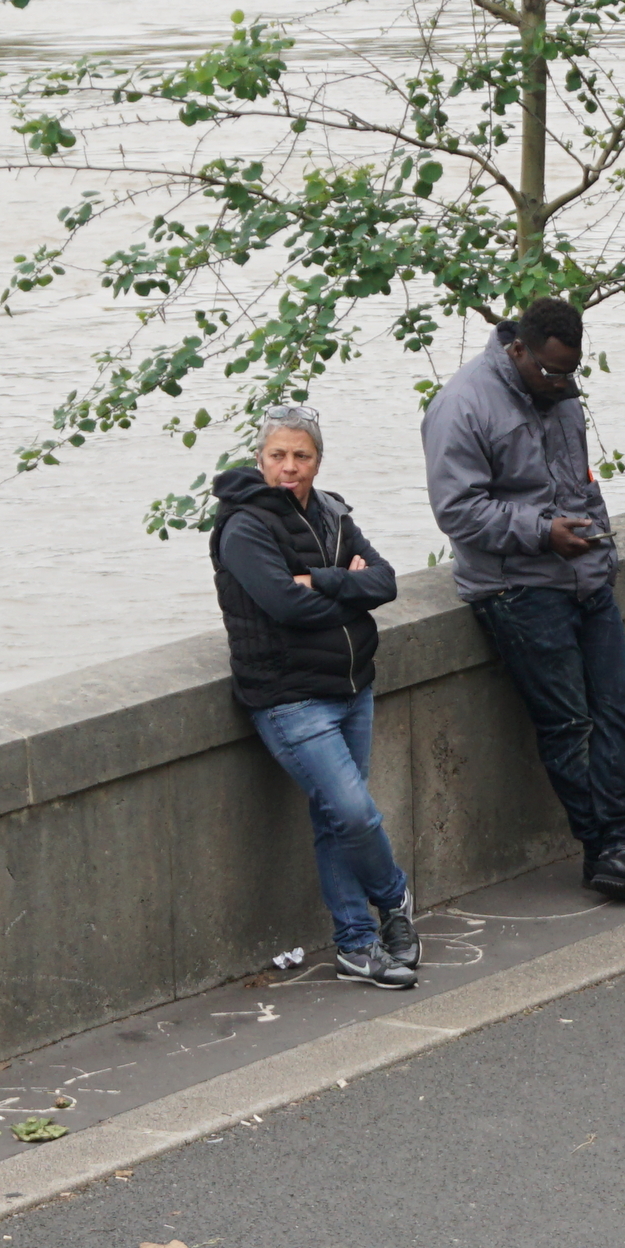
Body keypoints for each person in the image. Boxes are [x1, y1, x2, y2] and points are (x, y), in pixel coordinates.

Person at [422, 295, 625, 903]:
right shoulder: (461, 406)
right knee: (570, 725)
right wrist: (542, 532)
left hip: (585, 579)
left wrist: (599, 556)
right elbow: (457, 512)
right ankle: (615, 850)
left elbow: (582, 484)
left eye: (571, 371)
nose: (562, 382)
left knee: (620, 710)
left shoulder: (561, 391)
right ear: (516, 349)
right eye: (550, 371)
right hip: (517, 589)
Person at [212, 406, 421, 989]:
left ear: (317, 461)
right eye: (277, 455)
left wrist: (326, 579)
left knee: (336, 820)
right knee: (354, 813)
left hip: (353, 687)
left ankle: (356, 945)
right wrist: (349, 591)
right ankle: (394, 896)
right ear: (260, 459)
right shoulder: (245, 526)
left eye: (301, 456)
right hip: (288, 696)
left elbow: (384, 580)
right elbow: (284, 606)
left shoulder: (330, 512)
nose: (289, 467)